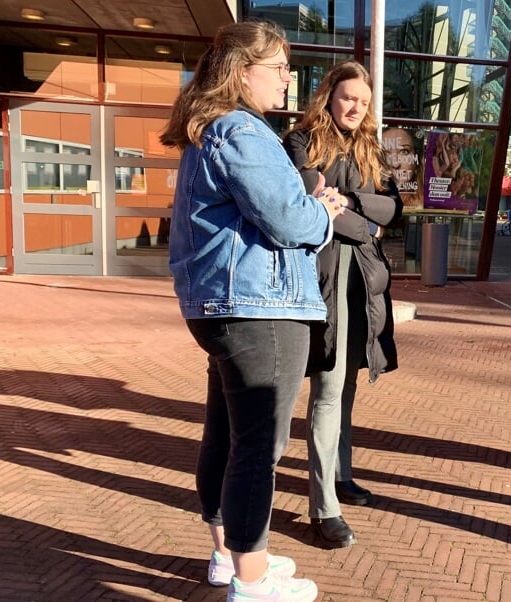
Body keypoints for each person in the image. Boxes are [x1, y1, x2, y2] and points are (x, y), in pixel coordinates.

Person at [160, 20, 346, 602]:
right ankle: (252, 579)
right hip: (259, 307)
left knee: (226, 434)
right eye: (280, 68)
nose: (290, 79)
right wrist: (323, 212)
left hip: (225, 304)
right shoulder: (243, 129)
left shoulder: (209, 130)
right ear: (243, 72)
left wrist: (302, 203)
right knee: (257, 446)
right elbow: (290, 220)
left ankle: (228, 555)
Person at [282, 60, 402, 550]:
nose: (356, 107)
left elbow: (394, 207)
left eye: (365, 102)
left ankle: (341, 476)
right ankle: (323, 507)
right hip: (323, 278)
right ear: (329, 94)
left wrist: (350, 204)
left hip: (364, 284)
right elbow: (315, 201)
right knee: (328, 389)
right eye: (349, 97)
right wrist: (365, 220)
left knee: (347, 386)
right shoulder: (300, 141)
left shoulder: (370, 147)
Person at [382, 127, 422, 208]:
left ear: (416, 158)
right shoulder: (370, 198)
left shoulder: (424, 203)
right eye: (386, 153)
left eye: (404, 152)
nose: (395, 164)